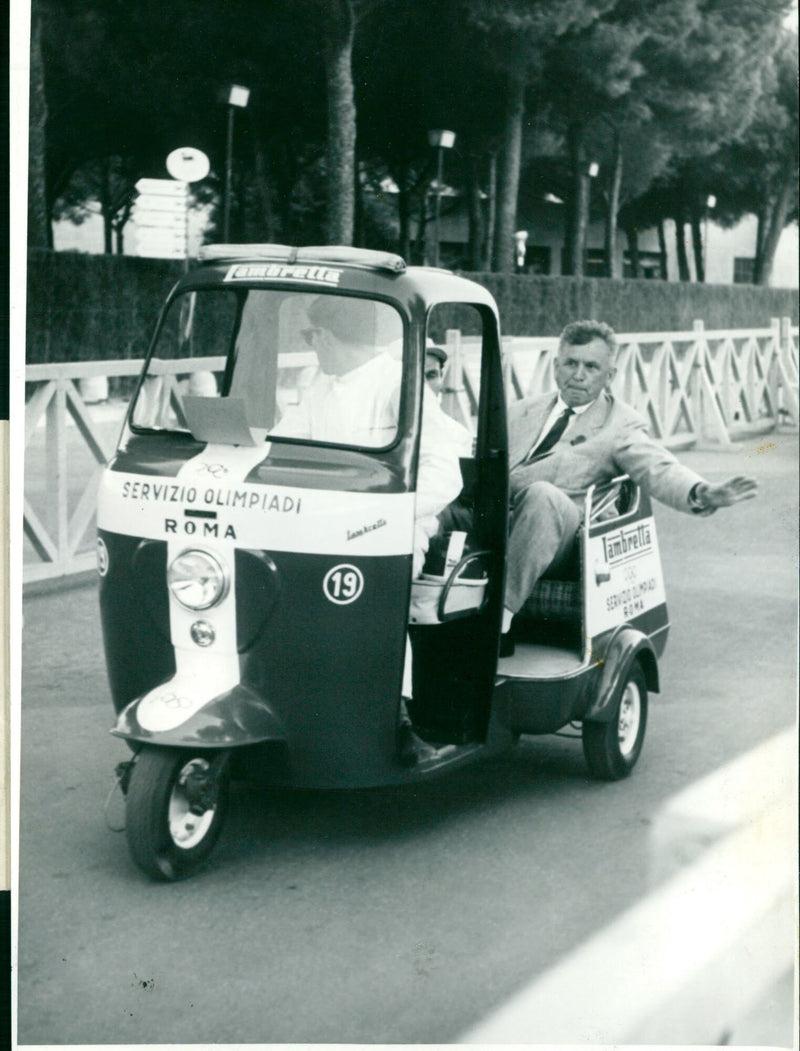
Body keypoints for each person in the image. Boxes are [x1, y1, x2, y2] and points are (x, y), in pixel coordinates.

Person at [273, 295, 464, 763]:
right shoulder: (319, 382)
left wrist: (387, 510)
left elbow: (446, 471)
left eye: (310, 335)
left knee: (374, 606)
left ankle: (397, 721)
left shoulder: (398, 384)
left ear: (327, 335)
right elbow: (284, 442)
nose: (310, 345)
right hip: (318, 527)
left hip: (392, 530)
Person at [499, 319, 758, 653]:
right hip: (497, 517)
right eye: (570, 363)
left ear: (610, 375)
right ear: (555, 366)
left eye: (591, 367)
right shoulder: (521, 411)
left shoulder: (621, 425)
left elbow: (658, 467)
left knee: (543, 495)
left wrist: (700, 491)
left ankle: (499, 620)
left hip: (558, 533)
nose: (578, 374)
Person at [425, 343, 474, 457]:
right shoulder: (381, 426)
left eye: (431, 376)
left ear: (441, 378)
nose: (425, 385)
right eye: (416, 376)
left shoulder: (459, 435)